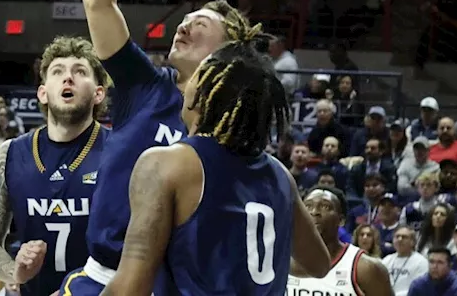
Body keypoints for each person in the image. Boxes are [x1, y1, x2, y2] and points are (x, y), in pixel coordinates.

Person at [60, 0, 252, 295]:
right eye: (184, 20)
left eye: (199, 24)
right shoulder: (145, 85)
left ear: (227, 52)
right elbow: (96, 3)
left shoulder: (234, 123)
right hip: (102, 278)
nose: (183, 25)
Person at [101, 38, 333, 295]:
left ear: (203, 92)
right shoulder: (281, 176)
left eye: (197, 74)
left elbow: (130, 288)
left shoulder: (169, 164)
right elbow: (319, 265)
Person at [0, 36, 110, 296]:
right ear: (43, 92)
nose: (68, 78)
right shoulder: (9, 154)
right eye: (58, 72)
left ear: (98, 93)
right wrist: (15, 271)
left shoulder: (120, 153)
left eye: (80, 71)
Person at [284, 186, 395, 296]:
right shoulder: (281, 261)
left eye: (325, 207)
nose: (314, 212)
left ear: (341, 220)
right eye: (308, 206)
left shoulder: (365, 268)